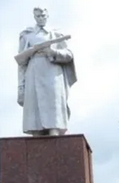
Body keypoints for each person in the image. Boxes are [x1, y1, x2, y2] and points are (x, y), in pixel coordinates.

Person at [17, 7, 77, 136]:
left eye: (43, 16)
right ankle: (36, 136)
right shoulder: (27, 35)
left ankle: (54, 132)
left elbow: (69, 55)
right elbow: (21, 62)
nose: (41, 18)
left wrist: (53, 52)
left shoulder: (56, 34)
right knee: (34, 112)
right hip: (33, 72)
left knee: (53, 109)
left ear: (47, 16)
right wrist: (21, 86)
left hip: (53, 73)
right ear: (34, 17)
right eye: (38, 16)